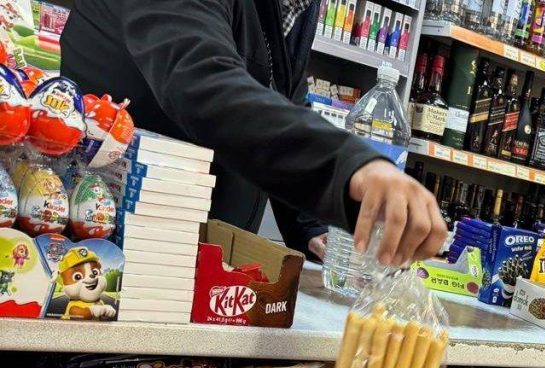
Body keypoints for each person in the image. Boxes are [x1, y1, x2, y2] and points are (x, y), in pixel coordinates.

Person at [60, 0, 446, 265]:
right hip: (106, 248)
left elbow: (280, 95)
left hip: (196, 258)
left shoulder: (297, 8)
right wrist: (349, 166)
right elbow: (201, 81)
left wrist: (308, 228)